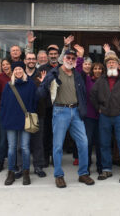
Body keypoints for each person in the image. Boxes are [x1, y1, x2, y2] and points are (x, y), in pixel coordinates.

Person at [38, 49, 94, 188]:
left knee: (83, 143)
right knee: (57, 146)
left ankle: (83, 173)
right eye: (68, 57)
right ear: (63, 59)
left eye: (73, 58)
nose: (70, 60)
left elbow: (82, 92)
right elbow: (41, 93)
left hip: (76, 111)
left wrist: (82, 108)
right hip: (60, 111)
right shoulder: (54, 73)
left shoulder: (77, 74)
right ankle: (58, 175)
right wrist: (44, 83)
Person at [90, 53, 120, 183]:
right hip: (104, 116)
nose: (111, 64)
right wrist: (99, 107)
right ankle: (106, 169)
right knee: (104, 143)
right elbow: (93, 95)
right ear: (106, 65)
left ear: (117, 64)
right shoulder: (101, 79)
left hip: (119, 116)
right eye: (109, 62)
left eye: (113, 62)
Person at [0, 61, 38, 186]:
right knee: (11, 148)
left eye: (20, 69)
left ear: (24, 70)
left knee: (25, 148)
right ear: (13, 71)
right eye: (15, 69)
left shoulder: (31, 84)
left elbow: (34, 102)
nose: (18, 71)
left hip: (25, 121)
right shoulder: (8, 85)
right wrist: (4, 119)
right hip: (10, 121)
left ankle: (26, 172)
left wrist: (30, 115)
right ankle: (11, 172)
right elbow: (3, 104)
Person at [74, 44, 103, 174]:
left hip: (102, 116)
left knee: (100, 143)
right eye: (94, 68)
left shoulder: (105, 81)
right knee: (88, 142)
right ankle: (86, 166)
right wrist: (79, 57)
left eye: (98, 68)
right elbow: (78, 71)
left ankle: (101, 166)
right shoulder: (86, 79)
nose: (96, 70)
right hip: (89, 117)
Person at [0, 58, 12, 173]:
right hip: (3, 112)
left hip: (15, 112)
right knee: (3, 139)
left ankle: (13, 162)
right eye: (3, 65)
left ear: (11, 65)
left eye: (7, 64)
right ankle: (0, 162)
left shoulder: (17, 74)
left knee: (14, 140)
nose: (5, 66)